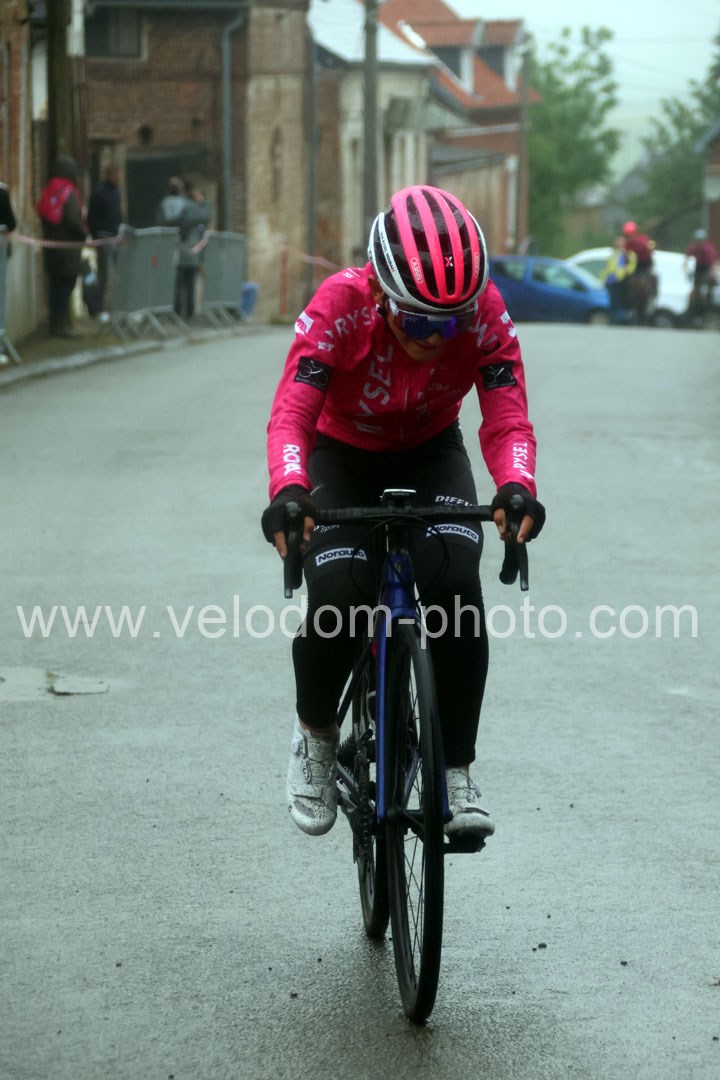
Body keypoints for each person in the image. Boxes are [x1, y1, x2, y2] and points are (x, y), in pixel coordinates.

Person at [261, 185, 545, 840]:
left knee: (456, 588)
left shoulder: (482, 312)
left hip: (429, 453)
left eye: (451, 322)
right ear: (381, 294)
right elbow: (292, 413)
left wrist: (515, 486)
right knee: (341, 597)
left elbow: (507, 415)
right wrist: (291, 491)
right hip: (341, 455)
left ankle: (456, 769)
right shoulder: (340, 303)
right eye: (418, 322)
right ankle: (316, 736)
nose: (437, 337)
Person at [36, 156, 87, 337]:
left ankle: (55, 323)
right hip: (68, 248)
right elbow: (73, 219)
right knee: (65, 286)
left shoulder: (50, 189)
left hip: (52, 246)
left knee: (55, 286)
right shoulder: (67, 192)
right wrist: (83, 233)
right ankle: (62, 325)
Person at [87, 163, 123, 320]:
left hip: (115, 236)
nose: (118, 177)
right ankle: (101, 307)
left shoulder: (116, 192)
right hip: (103, 236)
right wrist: (95, 235)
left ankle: (113, 305)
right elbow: (92, 216)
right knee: (104, 273)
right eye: (116, 174)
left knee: (115, 272)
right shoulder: (99, 192)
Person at [175, 180, 211, 319]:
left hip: (180, 249)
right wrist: (203, 202)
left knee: (180, 282)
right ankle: (189, 312)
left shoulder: (180, 207)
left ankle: (178, 310)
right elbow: (206, 216)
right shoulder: (193, 209)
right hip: (191, 251)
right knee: (189, 282)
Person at [621, 220, 656, 325]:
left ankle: (654, 295)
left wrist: (649, 249)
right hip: (633, 266)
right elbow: (625, 258)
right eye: (627, 235)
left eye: (631, 234)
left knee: (654, 278)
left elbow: (651, 251)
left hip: (645, 265)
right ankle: (627, 305)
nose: (629, 237)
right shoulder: (626, 244)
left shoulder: (644, 239)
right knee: (625, 281)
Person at [601, 235, 637, 325]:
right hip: (611, 281)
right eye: (617, 242)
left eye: (620, 242)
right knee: (613, 301)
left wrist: (625, 271)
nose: (618, 243)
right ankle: (614, 318)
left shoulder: (628, 254)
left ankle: (621, 319)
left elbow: (631, 266)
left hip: (621, 281)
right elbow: (609, 268)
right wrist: (605, 279)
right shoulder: (613, 254)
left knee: (620, 301)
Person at [684, 228, 717, 321]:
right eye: (698, 240)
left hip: (706, 268)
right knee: (695, 288)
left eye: (701, 240)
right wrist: (687, 268)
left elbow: (712, 262)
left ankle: (709, 302)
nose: (699, 242)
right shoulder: (693, 247)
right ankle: (693, 303)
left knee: (708, 284)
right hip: (697, 269)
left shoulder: (708, 248)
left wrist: (712, 273)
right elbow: (687, 258)